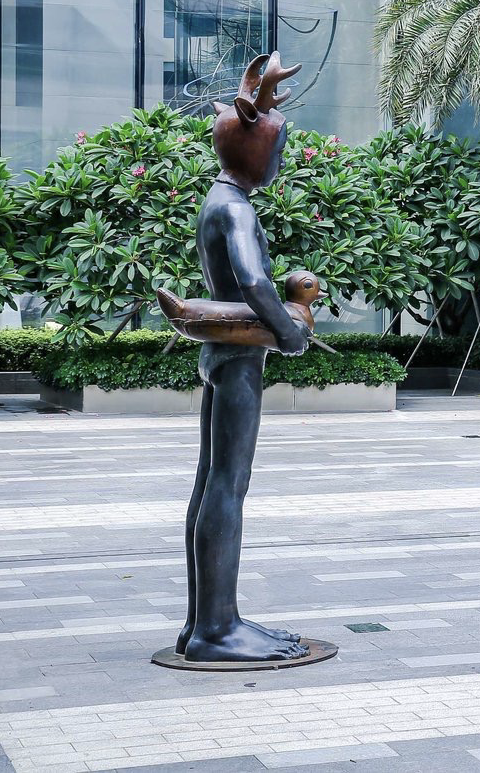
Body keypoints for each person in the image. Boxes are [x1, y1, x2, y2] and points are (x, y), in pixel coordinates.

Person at [177, 53, 314, 661]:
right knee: (228, 485)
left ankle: (205, 622)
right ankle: (217, 631)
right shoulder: (235, 207)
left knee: (211, 482)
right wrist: (289, 332)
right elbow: (255, 282)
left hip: (220, 353)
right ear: (252, 149)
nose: (279, 160)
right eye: (277, 149)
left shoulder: (217, 198)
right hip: (237, 361)